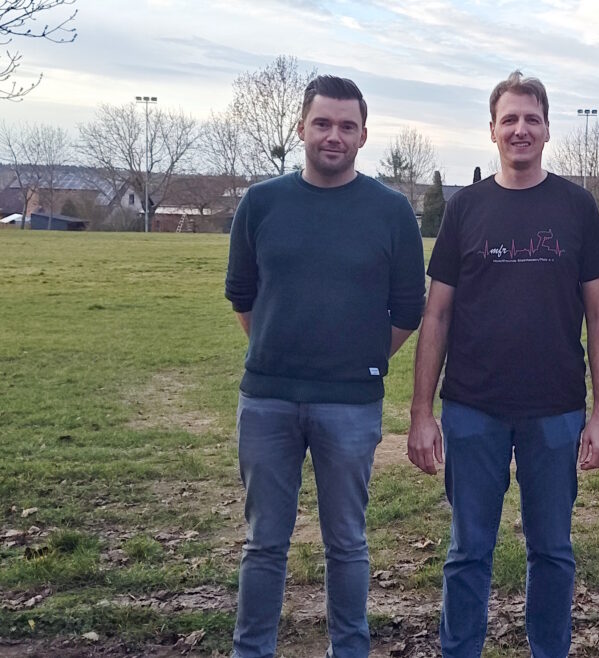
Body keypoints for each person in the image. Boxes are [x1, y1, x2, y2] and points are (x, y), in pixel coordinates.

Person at [407, 70, 599, 658]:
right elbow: (437, 315)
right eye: (509, 119)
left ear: (547, 129)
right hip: (473, 408)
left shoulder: (576, 206)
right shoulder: (465, 209)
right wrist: (421, 412)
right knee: (468, 551)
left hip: (555, 411)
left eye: (531, 119)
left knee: (552, 551)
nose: (520, 129)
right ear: (492, 130)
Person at [224, 75, 425, 658]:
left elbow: (408, 310)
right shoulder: (261, 203)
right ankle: (252, 650)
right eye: (322, 123)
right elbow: (243, 296)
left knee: (347, 543)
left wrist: (358, 361)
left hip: (351, 404)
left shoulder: (391, 211)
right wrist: (280, 350)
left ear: (363, 135)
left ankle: (350, 648)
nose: (333, 135)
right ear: (301, 128)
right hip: (268, 400)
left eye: (346, 126)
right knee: (264, 543)